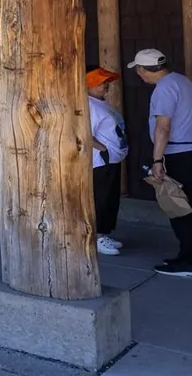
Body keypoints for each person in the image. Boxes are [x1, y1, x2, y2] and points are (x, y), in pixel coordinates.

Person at [129, 48, 192, 277]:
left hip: (178, 154)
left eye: (139, 70)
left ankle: (190, 263)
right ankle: (191, 257)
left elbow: (163, 127)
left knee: (180, 208)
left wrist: (157, 159)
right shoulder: (182, 81)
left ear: (143, 70)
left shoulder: (163, 89)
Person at [86, 67, 128, 256]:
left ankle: (104, 232)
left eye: (106, 82)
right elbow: (85, 134)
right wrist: (104, 150)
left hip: (111, 159)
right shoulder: (90, 105)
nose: (106, 86)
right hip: (102, 160)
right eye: (101, 82)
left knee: (110, 198)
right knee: (101, 199)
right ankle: (96, 236)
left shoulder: (101, 103)